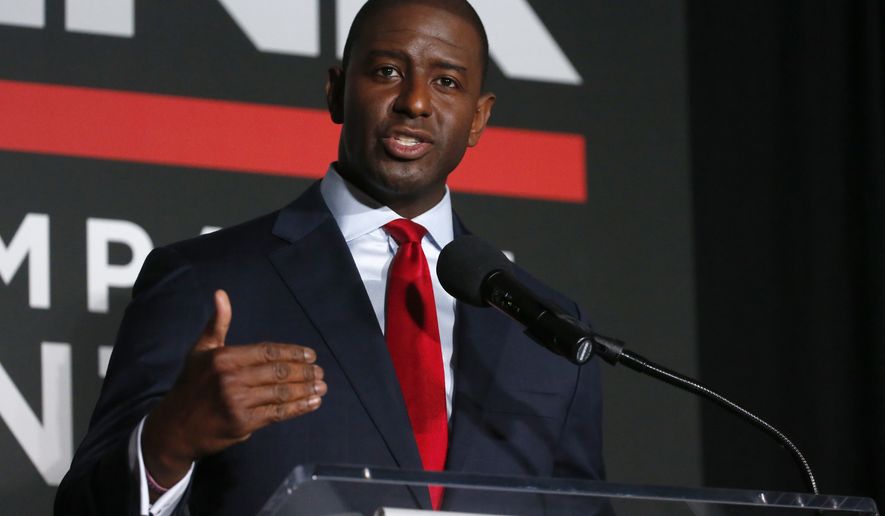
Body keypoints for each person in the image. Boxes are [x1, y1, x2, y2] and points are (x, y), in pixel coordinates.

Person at [55, 1, 605, 514]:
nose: (415, 101)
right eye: (388, 71)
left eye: (446, 82)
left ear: (478, 118)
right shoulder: (204, 281)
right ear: (336, 91)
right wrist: (168, 442)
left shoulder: (548, 328)